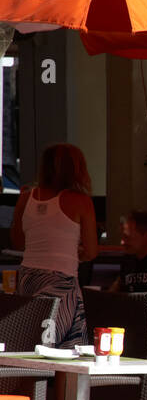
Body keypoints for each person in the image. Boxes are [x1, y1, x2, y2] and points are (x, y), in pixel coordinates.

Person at [10, 143, 99, 347]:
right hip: (62, 281)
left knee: (30, 342)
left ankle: (27, 379)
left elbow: (18, 242)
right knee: (64, 350)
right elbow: (92, 251)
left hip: (27, 278)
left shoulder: (25, 198)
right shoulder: (81, 202)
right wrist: (75, 252)